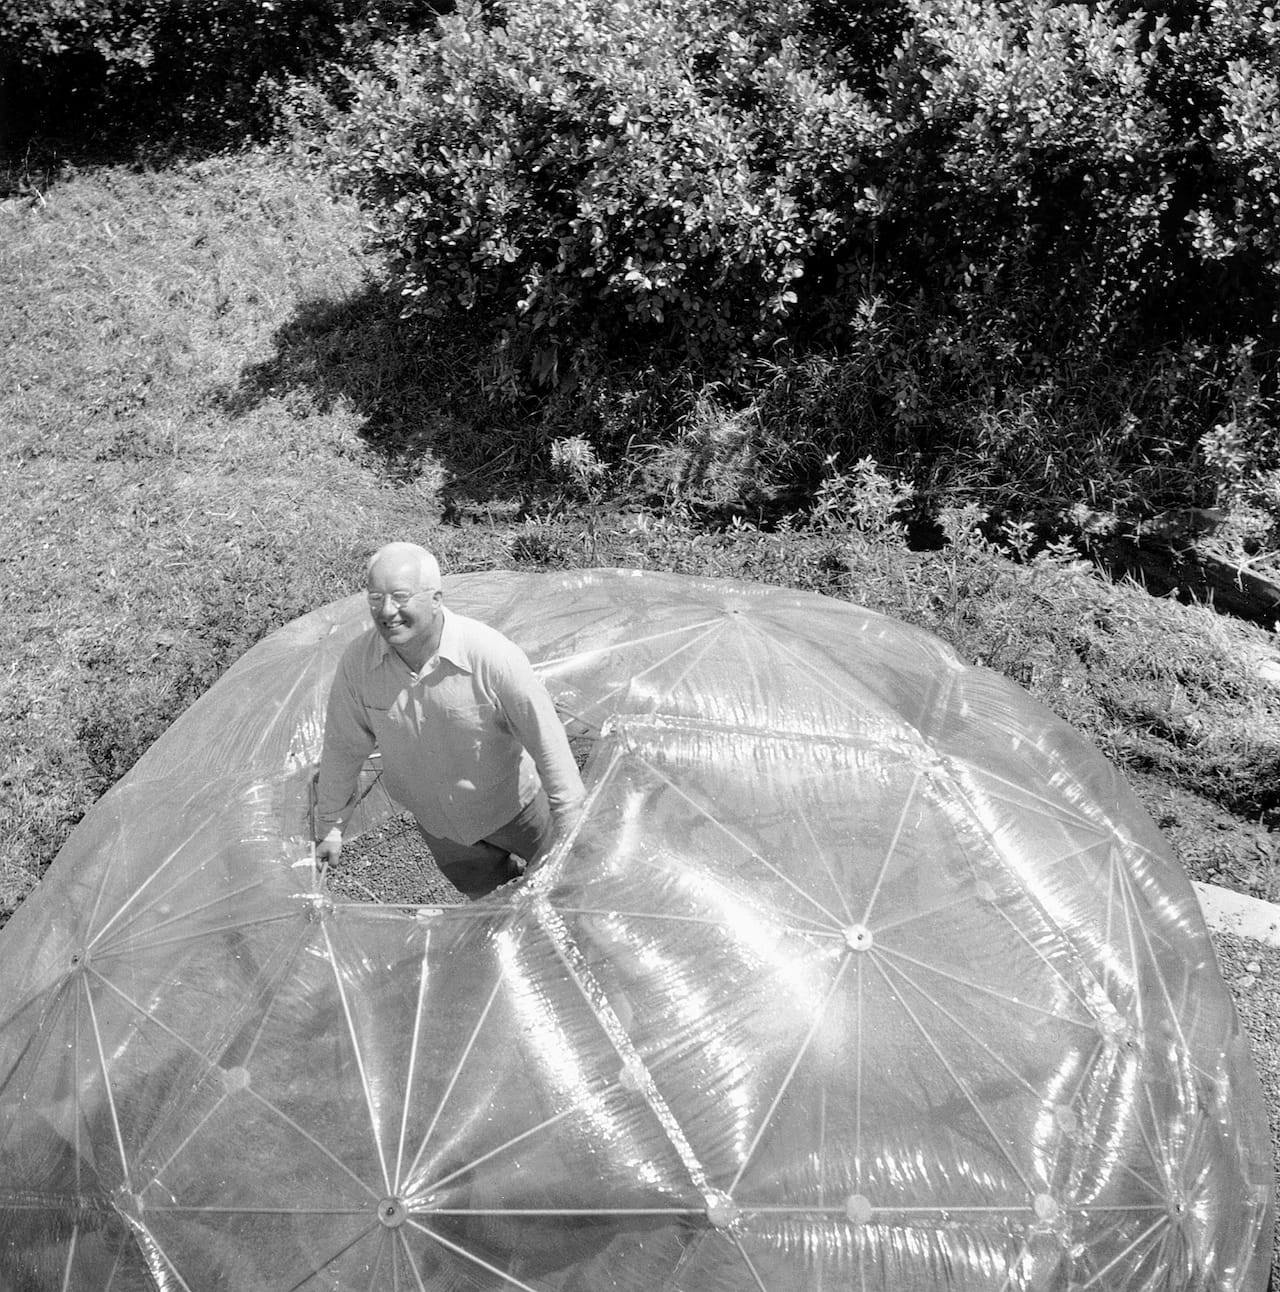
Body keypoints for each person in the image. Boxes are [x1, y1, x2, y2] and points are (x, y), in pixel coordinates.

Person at [313, 542, 585, 897]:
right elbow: (343, 746)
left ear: (436, 598)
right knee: (494, 908)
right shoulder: (358, 665)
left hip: (518, 810)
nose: (387, 611)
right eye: (376, 598)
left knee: (565, 889)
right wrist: (332, 826)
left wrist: (568, 819)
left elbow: (545, 738)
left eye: (400, 596)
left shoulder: (490, 656)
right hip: (442, 832)